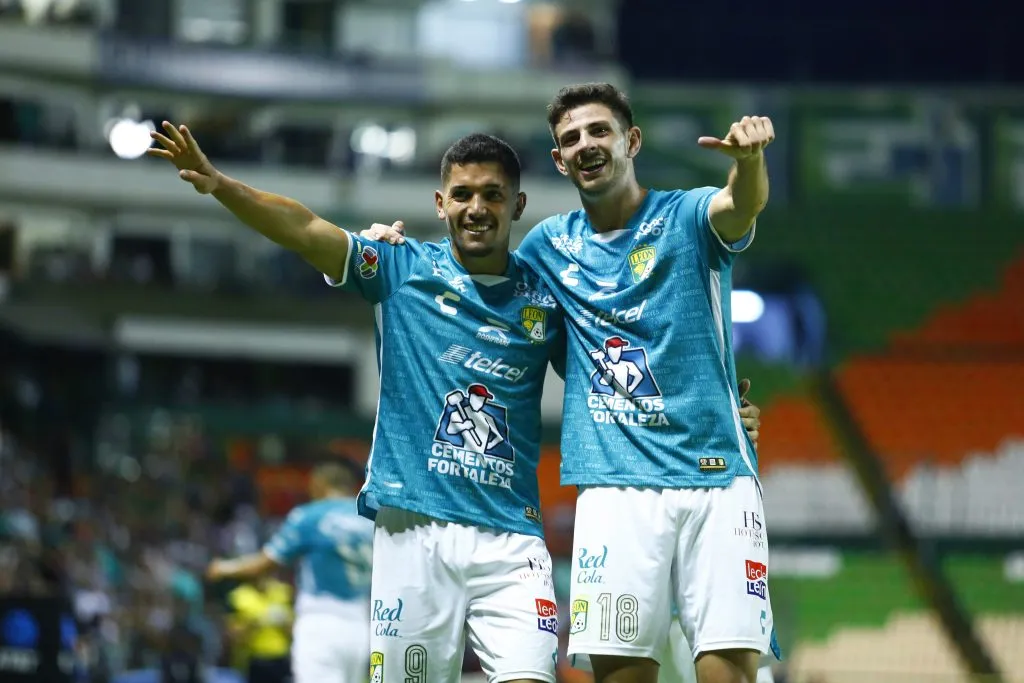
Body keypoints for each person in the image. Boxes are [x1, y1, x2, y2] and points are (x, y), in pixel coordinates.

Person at [148, 125, 564, 683]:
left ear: (518, 204)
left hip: (513, 534)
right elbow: (303, 228)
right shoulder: (399, 267)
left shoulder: (545, 297)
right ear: (440, 204)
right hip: (413, 526)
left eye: (493, 194)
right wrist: (222, 184)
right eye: (463, 194)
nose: (477, 207)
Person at [515, 83, 781, 683]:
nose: (586, 144)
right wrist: (397, 250)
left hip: (716, 479)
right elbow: (487, 293)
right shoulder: (545, 248)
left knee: (728, 671)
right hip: (615, 489)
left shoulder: (686, 216)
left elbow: (741, 206)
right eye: (571, 139)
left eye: (599, 131)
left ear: (631, 141)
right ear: (559, 160)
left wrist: (750, 161)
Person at [205, 462, 373, 683]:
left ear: (319, 485)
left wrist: (224, 568)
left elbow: (264, 563)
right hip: (362, 627)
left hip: (321, 623)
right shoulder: (370, 520)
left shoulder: (312, 516)